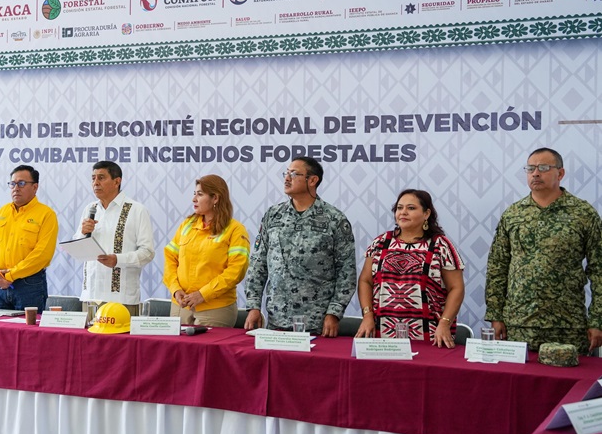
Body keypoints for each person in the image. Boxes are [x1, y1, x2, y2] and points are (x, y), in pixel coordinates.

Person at [486, 147, 602, 354]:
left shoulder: (583, 214)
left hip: (567, 325)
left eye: (544, 168)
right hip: (518, 324)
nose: (536, 173)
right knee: (518, 375)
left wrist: (597, 320)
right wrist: (496, 315)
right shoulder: (513, 214)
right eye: (530, 168)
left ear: (560, 173)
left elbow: (599, 269)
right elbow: (497, 267)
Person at [244, 157, 356, 335]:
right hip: (276, 320)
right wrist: (253, 306)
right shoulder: (274, 215)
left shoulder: (334, 219)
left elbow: (346, 271)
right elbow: (258, 263)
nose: (287, 178)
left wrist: (334, 313)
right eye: (286, 173)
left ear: (312, 180)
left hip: (317, 322)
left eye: (294, 174)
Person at [354, 189, 465, 347]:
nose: (403, 212)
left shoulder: (440, 245)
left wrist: (445, 323)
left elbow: (456, 288)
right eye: (399, 208)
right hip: (381, 335)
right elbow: (365, 281)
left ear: (426, 214)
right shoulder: (381, 242)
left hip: (431, 335)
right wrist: (367, 315)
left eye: (411, 208)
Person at [163, 175, 250, 327]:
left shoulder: (235, 230)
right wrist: (175, 289)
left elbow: (235, 271)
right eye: (194, 194)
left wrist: (203, 295)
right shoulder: (186, 225)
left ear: (215, 198)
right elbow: (170, 259)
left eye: (200, 194)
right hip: (181, 306)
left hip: (215, 308)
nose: (194, 199)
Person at [75, 161, 154, 316]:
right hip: (91, 297)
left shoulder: (137, 210)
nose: (95, 183)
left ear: (117, 181)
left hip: (122, 299)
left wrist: (118, 260)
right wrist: (83, 233)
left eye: (101, 178)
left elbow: (147, 253)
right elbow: (78, 248)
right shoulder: (90, 209)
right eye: (93, 178)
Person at [0, 165, 58, 311]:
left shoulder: (46, 214)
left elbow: (42, 254)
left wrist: (11, 275)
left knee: (29, 326)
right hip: (0, 284)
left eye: (22, 183)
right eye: (12, 184)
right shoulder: (2, 212)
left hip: (29, 285)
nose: (16, 188)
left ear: (35, 187)